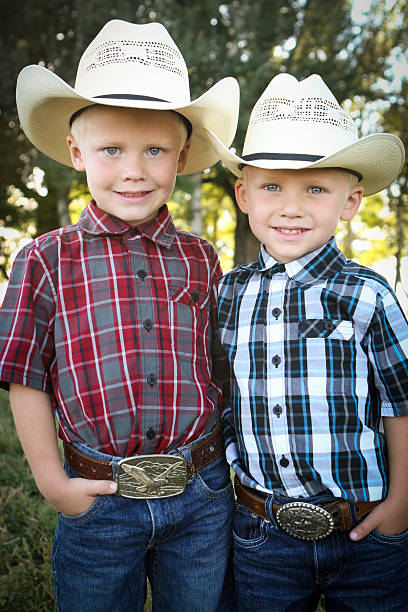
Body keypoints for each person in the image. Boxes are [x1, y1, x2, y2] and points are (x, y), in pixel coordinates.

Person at [0, 19, 240, 612]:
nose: (134, 169)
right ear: (77, 153)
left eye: (154, 150)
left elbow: (217, 363)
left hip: (201, 490)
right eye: (111, 150)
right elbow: (25, 376)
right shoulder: (45, 258)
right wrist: (55, 484)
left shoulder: (200, 257)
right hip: (100, 493)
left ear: (181, 158)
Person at [205, 73, 408, 611]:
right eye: (272, 186)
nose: (291, 207)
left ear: (351, 200)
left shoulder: (366, 296)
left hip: (365, 528)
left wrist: (404, 501)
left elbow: (402, 404)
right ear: (244, 195)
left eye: (315, 188)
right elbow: (220, 393)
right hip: (261, 530)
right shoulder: (226, 294)